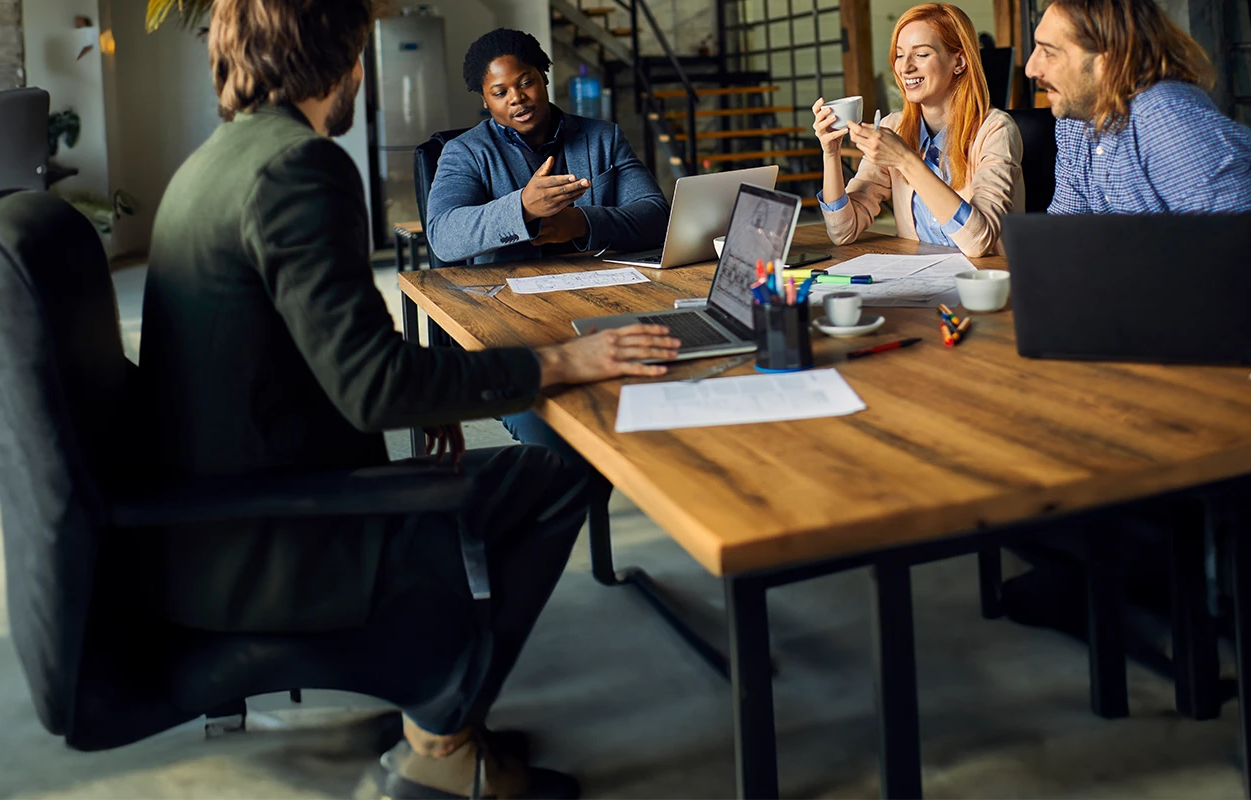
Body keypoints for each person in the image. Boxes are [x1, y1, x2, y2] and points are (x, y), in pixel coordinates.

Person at [138, 2, 682, 797]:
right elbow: (371, 387)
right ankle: (443, 743)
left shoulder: (221, 159)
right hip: (280, 528)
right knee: (560, 472)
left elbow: (330, 356)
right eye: (359, 49)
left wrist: (433, 403)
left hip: (219, 503)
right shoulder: (301, 166)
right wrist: (559, 361)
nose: (362, 68)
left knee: (527, 469)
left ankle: (445, 716)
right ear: (341, 59)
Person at [426, 28, 670, 465]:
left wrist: (580, 222)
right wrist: (522, 206)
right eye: (499, 92)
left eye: (526, 82)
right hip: (515, 322)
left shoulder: (603, 138)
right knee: (564, 444)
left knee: (665, 382)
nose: (516, 98)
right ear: (485, 101)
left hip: (603, 302)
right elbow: (443, 233)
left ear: (544, 77)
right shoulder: (465, 153)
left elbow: (655, 213)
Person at [812, 3, 1024, 259]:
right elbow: (842, 231)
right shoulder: (894, 128)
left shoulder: (996, 130)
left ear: (959, 61)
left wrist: (906, 160)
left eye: (921, 54)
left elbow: (979, 241)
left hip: (986, 284)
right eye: (900, 55)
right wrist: (831, 153)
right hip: (922, 281)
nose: (905, 68)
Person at [1024, 0, 1251, 213]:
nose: (1030, 69)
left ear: (1107, 62)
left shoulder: (1165, 121)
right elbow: (1065, 233)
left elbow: (1236, 243)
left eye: (1049, 52)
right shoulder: (1073, 124)